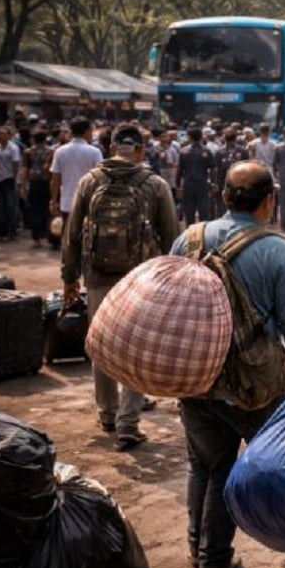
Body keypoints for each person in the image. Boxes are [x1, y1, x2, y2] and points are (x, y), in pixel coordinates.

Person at [171, 160, 285, 568]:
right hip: (255, 385)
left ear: (223, 195)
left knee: (205, 464)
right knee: (238, 470)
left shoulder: (187, 239)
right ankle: (215, 560)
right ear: (269, 201)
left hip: (195, 374)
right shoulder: (277, 252)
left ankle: (198, 546)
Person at [61, 125, 179, 451]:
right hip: (141, 278)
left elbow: (72, 234)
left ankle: (108, 413)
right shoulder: (155, 185)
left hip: (97, 275)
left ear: (111, 148)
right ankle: (128, 422)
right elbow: (172, 236)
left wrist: (69, 277)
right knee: (136, 346)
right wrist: (171, 277)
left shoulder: (90, 182)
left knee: (100, 343)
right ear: (140, 150)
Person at [49, 118, 103, 230]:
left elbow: (55, 179)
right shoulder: (95, 152)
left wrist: (54, 201)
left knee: (67, 235)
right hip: (88, 203)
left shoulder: (60, 151)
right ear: (87, 131)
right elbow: (100, 178)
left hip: (67, 203)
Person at [177, 126, 215, 226]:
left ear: (189, 137)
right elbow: (212, 169)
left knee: (189, 213)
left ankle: (190, 233)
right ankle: (203, 233)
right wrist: (213, 183)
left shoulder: (184, 151)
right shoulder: (207, 151)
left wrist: (178, 186)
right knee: (204, 213)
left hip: (188, 185)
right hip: (202, 184)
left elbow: (179, 171)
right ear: (201, 137)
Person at [22, 130, 53, 248]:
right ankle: (48, 234)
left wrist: (24, 184)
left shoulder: (28, 152)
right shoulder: (51, 151)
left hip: (33, 183)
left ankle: (36, 238)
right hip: (46, 182)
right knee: (46, 209)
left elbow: (25, 169)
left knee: (34, 210)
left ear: (33, 139)